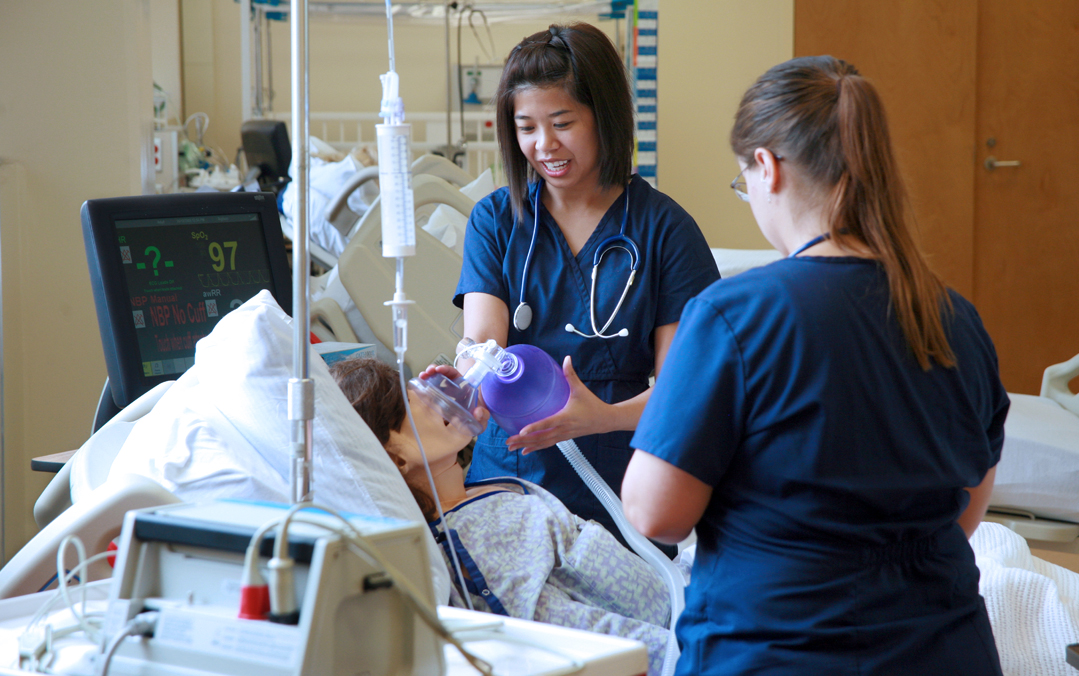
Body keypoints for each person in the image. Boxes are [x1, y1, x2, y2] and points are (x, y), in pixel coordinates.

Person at [621, 56, 1009, 675]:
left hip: (776, 651)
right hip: (944, 650)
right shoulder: (953, 317)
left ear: (767, 168)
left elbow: (655, 513)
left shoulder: (734, 315)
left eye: (741, 181)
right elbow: (966, 509)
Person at [437, 22, 719, 540]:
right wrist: (467, 376)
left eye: (562, 122)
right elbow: (481, 339)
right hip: (508, 487)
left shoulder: (665, 231)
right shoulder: (496, 220)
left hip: (617, 494)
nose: (545, 145)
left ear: (604, 117)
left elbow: (687, 391)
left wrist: (601, 417)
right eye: (526, 127)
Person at [330, 357, 680, 676]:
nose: (427, 393)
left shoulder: (482, 494)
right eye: (408, 401)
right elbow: (575, 635)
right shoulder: (469, 540)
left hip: (682, 607)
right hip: (677, 643)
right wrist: (693, 652)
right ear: (396, 459)